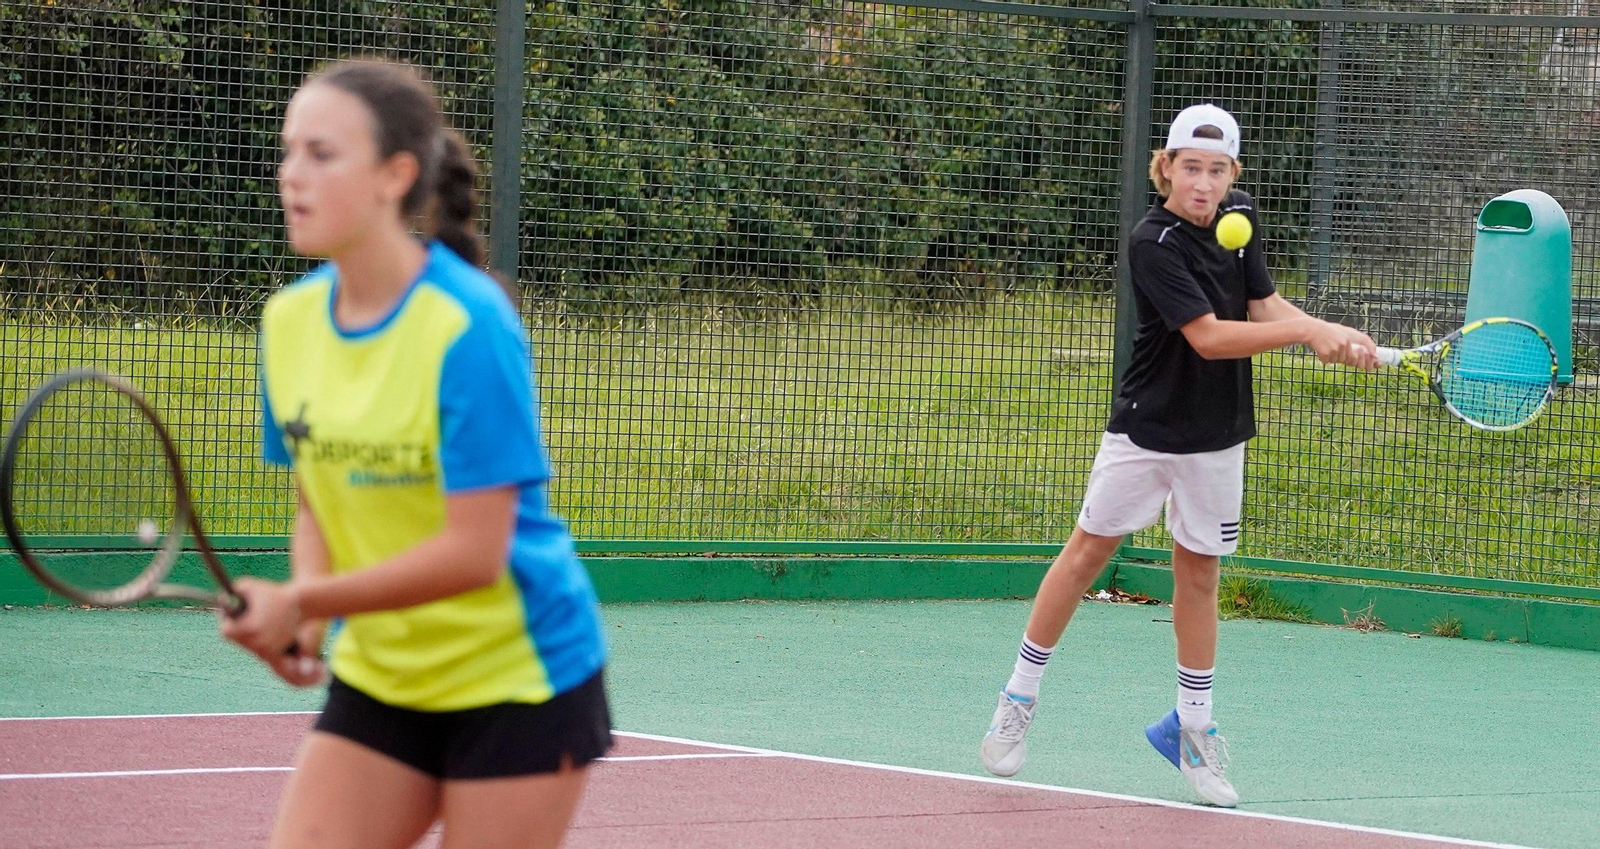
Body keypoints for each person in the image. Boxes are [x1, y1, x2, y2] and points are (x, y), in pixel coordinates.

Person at [221, 58, 610, 848]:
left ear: (395, 175)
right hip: (383, 677)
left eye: (322, 154)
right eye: (288, 150)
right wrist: (309, 613)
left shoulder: (468, 325)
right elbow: (316, 496)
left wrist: (307, 602)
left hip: (518, 680)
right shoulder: (288, 322)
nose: (292, 175)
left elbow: (474, 552)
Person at [978, 103, 1378, 807]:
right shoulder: (1152, 239)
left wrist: (1327, 330)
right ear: (1165, 167)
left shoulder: (1240, 218)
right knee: (1086, 555)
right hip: (1147, 430)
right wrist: (1312, 332)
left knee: (1199, 575)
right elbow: (1209, 337)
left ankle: (1191, 729)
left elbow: (1260, 306)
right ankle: (1019, 695)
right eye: (1190, 167)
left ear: (1233, 175)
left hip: (1218, 433)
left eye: (1217, 170)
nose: (1203, 183)